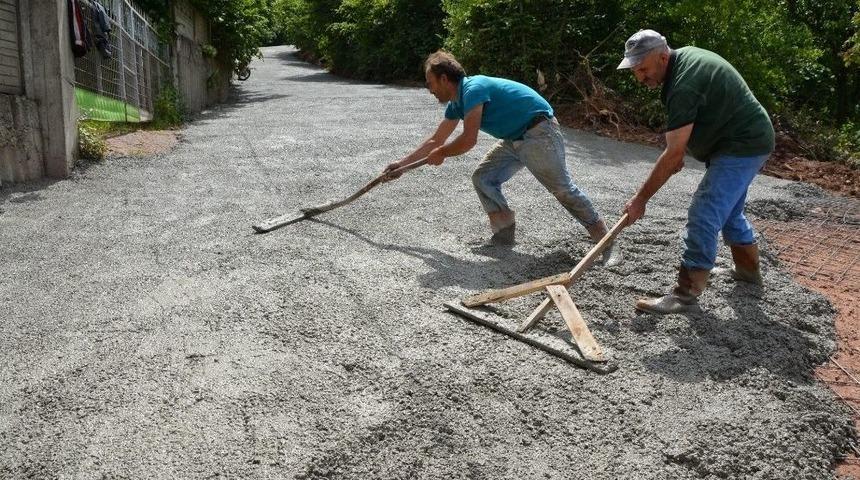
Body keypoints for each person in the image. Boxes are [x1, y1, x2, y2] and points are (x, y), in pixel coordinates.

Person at [385, 50, 621, 265]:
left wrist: (443, 153)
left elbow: (468, 140)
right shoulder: (457, 103)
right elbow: (435, 141)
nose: (430, 90)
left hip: (539, 131)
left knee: (562, 189)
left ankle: (607, 243)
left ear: (444, 79)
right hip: (515, 138)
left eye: (431, 83)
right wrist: (401, 166)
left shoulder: (473, 89)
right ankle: (504, 234)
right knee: (483, 178)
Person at [616, 30, 775, 314]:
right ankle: (748, 271)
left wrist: (640, 200)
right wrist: (677, 153)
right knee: (728, 211)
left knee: (704, 210)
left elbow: (673, 152)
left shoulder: (683, 84)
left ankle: (685, 293)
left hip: (742, 143)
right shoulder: (683, 61)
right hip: (742, 139)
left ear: (662, 57)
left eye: (643, 69)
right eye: (635, 71)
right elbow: (693, 127)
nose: (640, 78)